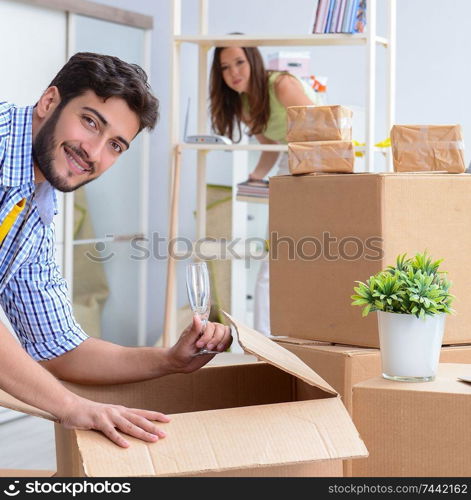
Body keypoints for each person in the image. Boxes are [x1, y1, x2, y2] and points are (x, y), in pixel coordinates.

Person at [0, 52, 232, 448]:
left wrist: (169, 360)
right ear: (49, 102)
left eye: (115, 145)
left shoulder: (34, 210)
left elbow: (59, 347)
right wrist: (72, 406)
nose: (93, 152)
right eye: (90, 122)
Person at [209, 45, 319, 336]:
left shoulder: (281, 84)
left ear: (253, 61)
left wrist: (308, 175)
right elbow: (270, 145)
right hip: (290, 161)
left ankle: (278, 339)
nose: (233, 73)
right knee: (276, 258)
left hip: (317, 160)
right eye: (225, 67)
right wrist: (255, 177)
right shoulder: (243, 103)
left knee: (307, 256)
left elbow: (320, 130)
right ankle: (263, 343)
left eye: (239, 63)